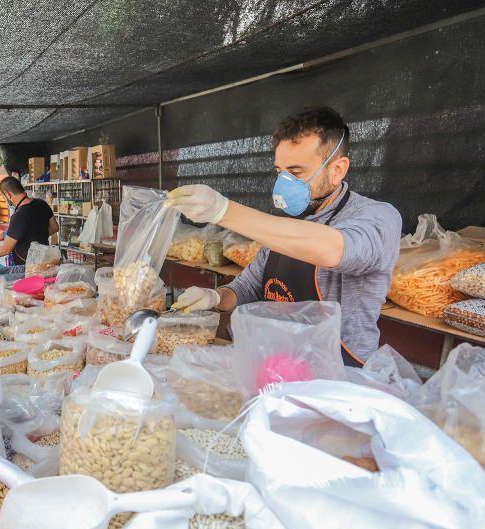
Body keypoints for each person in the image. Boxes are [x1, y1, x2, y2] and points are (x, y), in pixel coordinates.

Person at [166, 106, 402, 366]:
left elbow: (334, 249)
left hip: (339, 377)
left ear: (337, 169)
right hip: (276, 366)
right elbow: (247, 288)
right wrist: (216, 297)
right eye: (280, 172)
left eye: (297, 172)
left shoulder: (378, 217)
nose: (284, 183)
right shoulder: (288, 224)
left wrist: (222, 210)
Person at [0, 176, 58, 265]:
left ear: (8, 195)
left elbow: (6, 249)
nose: (6, 200)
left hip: (28, 266)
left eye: (4, 197)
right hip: (45, 259)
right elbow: (55, 227)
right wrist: (39, 236)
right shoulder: (42, 203)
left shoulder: (18, 216)